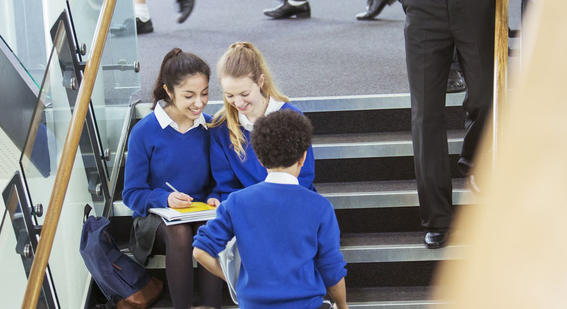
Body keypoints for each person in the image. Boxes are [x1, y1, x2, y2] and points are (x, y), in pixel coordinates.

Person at [193, 109, 349, 309]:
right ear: (303, 157)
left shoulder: (236, 202)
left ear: (259, 158)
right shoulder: (320, 207)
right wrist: (343, 306)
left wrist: (236, 283)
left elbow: (200, 252)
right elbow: (332, 270)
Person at [122, 48, 223, 309]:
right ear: (169, 91)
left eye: (204, 93)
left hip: (198, 213)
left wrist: (215, 196)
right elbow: (132, 193)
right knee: (178, 232)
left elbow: (220, 180)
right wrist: (165, 198)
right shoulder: (144, 131)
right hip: (154, 220)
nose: (199, 103)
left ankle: (213, 306)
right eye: (189, 95)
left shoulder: (210, 127)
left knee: (210, 229)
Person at [402, 0, 494, 248]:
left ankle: (473, 155)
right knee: (425, 115)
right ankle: (437, 219)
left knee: (485, 97)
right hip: (424, 10)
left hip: (474, 8)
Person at [208, 41, 316, 204]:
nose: (238, 103)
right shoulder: (221, 127)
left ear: (260, 81)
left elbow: (304, 176)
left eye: (244, 93)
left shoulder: (290, 116)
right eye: (229, 95)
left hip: (291, 201)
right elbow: (226, 186)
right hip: (247, 208)